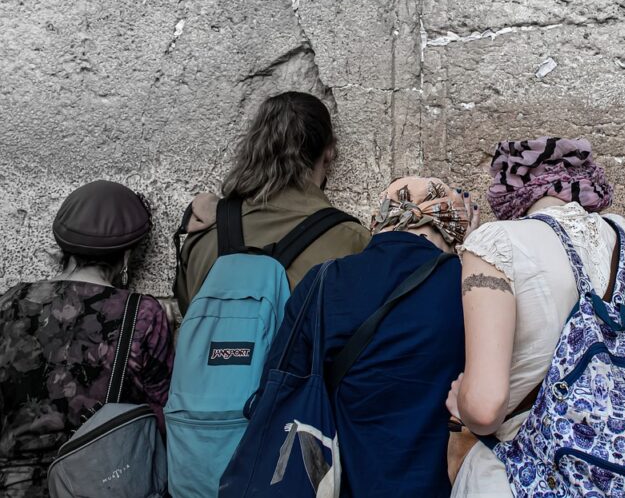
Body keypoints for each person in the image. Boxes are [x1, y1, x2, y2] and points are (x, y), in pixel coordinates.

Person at [447, 137, 625, 496]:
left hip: (523, 473)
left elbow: (484, 410)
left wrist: (460, 401)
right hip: (621, 470)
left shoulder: (495, 242)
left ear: (509, 186)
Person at [249, 176, 476, 498]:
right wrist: (472, 256)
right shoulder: (468, 286)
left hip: (342, 482)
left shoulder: (325, 281)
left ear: (379, 218)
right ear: (452, 225)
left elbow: (277, 388)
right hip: (440, 483)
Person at [0, 180, 174, 497]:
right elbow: (163, 417)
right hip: (98, 484)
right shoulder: (142, 315)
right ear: (126, 257)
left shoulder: (9, 303)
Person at [175, 91, 370, 314]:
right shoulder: (352, 242)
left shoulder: (202, 233)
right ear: (329, 152)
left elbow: (188, 314)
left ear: (255, 146)